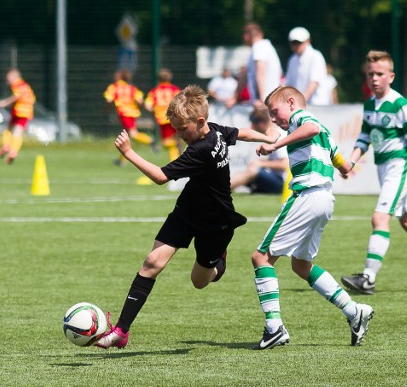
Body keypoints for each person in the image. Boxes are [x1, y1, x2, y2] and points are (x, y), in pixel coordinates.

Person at [95, 84, 280, 349]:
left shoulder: (200, 149)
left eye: (182, 129)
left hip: (216, 222)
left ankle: (220, 260)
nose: (179, 135)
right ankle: (121, 332)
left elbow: (160, 177)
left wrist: (128, 153)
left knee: (199, 281)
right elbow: (240, 134)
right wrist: (266, 137)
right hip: (187, 211)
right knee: (151, 262)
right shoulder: (213, 129)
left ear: (200, 121)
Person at [251, 86, 374, 350]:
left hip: (307, 194)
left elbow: (311, 128)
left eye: (275, 112)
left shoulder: (301, 119)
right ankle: (355, 312)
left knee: (261, 258)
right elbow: (343, 165)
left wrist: (275, 143)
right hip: (325, 200)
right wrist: (349, 162)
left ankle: (274, 327)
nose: (274, 118)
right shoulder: (322, 133)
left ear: (292, 102)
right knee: (301, 265)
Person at [341, 51, 407, 295]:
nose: (374, 79)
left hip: (399, 167)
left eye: (379, 74)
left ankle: (368, 277)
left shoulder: (400, 104)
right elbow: (364, 137)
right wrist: (351, 162)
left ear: (391, 76)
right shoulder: (369, 104)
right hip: (384, 169)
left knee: (379, 218)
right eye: (370, 74)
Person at [230, 107, 288, 194]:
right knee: (248, 172)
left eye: (253, 124)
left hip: (284, 184)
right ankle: (222, 188)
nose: (251, 127)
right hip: (277, 179)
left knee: (254, 169)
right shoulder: (274, 135)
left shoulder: (279, 136)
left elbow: (285, 164)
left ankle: (219, 190)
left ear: (261, 123)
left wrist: (261, 163)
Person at [103, 70, 155, 165]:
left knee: (133, 134)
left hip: (124, 113)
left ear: (119, 77)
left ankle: (150, 141)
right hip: (133, 113)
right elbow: (140, 101)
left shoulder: (114, 87)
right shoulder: (132, 88)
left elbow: (108, 100)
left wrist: (108, 109)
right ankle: (121, 160)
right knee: (127, 136)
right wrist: (137, 108)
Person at [0, 69, 36, 164]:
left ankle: (6, 145)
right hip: (27, 111)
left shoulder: (17, 84)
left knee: (9, 129)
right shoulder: (26, 85)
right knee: (18, 132)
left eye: (9, 78)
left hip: (18, 110)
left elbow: (17, 95)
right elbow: (32, 98)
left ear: (14, 77)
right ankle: (13, 151)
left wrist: (5, 102)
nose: (8, 80)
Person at [284, 27, 329, 105]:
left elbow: (315, 82)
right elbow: (288, 84)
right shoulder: (292, 60)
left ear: (308, 41)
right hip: (299, 106)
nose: (296, 45)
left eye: (299, 42)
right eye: (293, 42)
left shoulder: (316, 56)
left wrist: (301, 102)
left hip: (317, 105)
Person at [242, 22, 283, 109]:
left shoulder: (259, 47)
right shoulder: (265, 47)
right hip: (271, 99)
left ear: (246, 36)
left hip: (266, 102)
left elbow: (260, 74)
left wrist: (262, 100)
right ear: (261, 34)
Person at [144, 68, 181, 161]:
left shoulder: (154, 91)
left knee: (167, 142)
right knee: (177, 140)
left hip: (162, 118)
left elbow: (147, 105)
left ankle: (175, 164)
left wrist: (154, 110)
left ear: (158, 79)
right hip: (176, 117)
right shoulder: (175, 89)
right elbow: (182, 101)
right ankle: (182, 159)